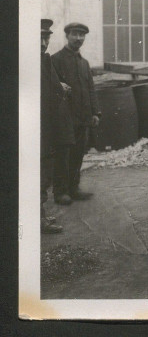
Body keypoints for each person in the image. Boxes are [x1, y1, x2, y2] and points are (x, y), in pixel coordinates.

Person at [51, 23, 101, 202]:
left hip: (83, 117)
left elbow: (90, 89)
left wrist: (95, 113)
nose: (79, 38)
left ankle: (73, 188)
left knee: (78, 153)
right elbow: (50, 90)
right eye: (75, 34)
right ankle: (60, 192)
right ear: (67, 36)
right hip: (64, 118)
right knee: (63, 155)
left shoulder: (84, 62)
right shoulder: (55, 60)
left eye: (82, 35)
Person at [41, 19, 72, 232]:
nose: (44, 43)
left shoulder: (44, 59)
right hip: (36, 128)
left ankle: (40, 216)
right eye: (40, 38)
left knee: (43, 172)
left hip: (47, 127)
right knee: (36, 173)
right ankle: (37, 221)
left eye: (46, 38)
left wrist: (58, 87)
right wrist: (59, 88)